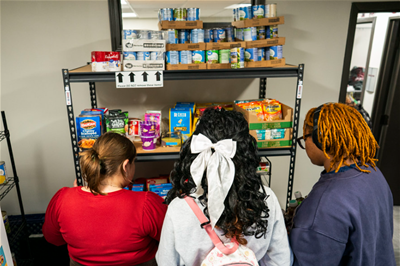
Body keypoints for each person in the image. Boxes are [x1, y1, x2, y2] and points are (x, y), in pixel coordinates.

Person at [156, 108, 292, 266]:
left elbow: (166, 261)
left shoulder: (179, 208)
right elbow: (280, 260)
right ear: (246, 154)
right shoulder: (267, 199)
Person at [290, 103, 395, 265]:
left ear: (320, 138)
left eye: (305, 138)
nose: (304, 144)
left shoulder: (324, 205)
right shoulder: (372, 172)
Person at [43, 132, 167, 266]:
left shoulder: (62, 199)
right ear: (126, 166)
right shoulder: (146, 203)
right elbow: (172, 239)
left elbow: (53, 239)